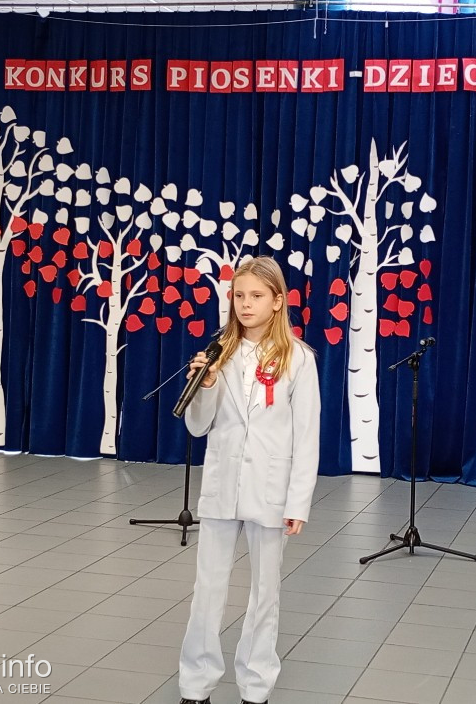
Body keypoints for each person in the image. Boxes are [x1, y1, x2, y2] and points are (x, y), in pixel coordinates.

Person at [178, 256, 320, 704]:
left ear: (278, 301)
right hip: (223, 485)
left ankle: (255, 686)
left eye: (256, 296)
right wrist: (205, 385)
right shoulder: (219, 352)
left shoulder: (299, 358)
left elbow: (307, 434)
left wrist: (298, 502)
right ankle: (195, 683)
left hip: (271, 490)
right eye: (238, 295)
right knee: (208, 589)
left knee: (264, 594)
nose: (245, 304)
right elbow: (198, 427)